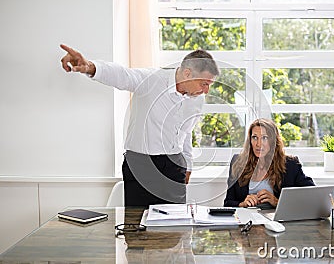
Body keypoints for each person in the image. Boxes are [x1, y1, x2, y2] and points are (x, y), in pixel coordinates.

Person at [60, 44, 220, 206]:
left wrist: (188, 164)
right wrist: (90, 67)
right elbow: (122, 75)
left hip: (175, 166)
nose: (206, 91)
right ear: (187, 73)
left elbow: (186, 131)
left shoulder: (197, 99)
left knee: (175, 225)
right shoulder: (151, 79)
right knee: (137, 225)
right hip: (141, 165)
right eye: (204, 84)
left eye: (209, 85)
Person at [224, 118, 314, 208]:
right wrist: (242, 204)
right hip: (247, 220)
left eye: (264, 138)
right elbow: (228, 202)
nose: (258, 144)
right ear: (250, 141)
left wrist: (276, 202)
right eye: (254, 137)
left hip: (277, 221)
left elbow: (312, 195)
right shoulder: (238, 162)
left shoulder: (291, 164)